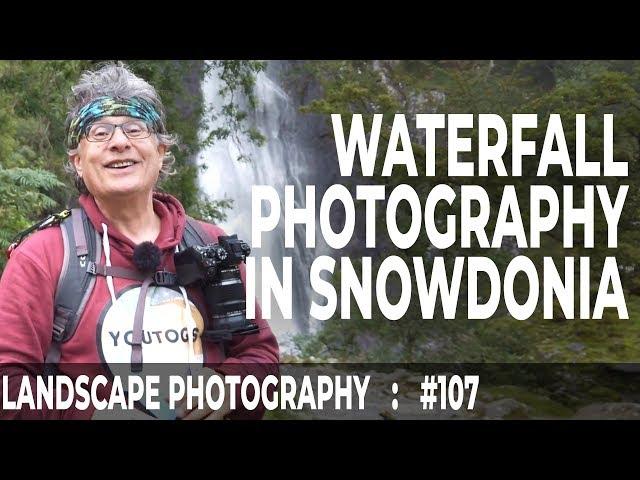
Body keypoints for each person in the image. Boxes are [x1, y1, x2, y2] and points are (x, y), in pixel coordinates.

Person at [0, 62, 280, 419]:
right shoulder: (44, 256)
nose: (120, 142)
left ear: (161, 152)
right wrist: (94, 415)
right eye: (100, 132)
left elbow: (263, 356)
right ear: (78, 162)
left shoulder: (212, 244)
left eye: (135, 128)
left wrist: (229, 387)